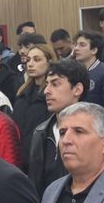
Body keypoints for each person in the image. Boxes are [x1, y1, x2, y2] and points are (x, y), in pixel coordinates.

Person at [26, 59, 86, 191]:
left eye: (55, 84)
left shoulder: (98, 132)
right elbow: (35, 185)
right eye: (47, 84)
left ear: (77, 89)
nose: (46, 91)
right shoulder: (40, 132)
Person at [11, 43, 53, 149]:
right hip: (20, 152)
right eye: (28, 60)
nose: (30, 64)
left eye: (37, 60)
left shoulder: (52, 95)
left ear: (49, 62)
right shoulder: (22, 92)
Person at [70, 30, 104, 95]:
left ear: (94, 50)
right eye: (76, 45)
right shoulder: (73, 72)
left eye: (82, 45)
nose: (76, 48)